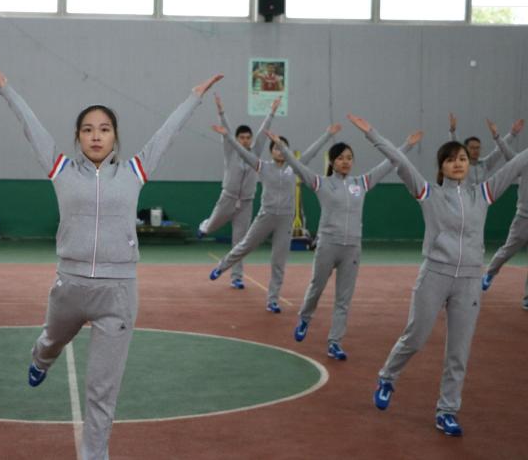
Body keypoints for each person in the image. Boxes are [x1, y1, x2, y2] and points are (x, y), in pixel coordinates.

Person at [0, 57, 222, 460]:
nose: (96, 136)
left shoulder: (134, 172)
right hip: (70, 288)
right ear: (78, 137)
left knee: (102, 390)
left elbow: (167, 134)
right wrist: (6, 88)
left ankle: (95, 454)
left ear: (115, 137)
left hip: (118, 294)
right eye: (88, 129)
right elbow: (31, 127)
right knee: (51, 340)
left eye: (105, 129)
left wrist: (193, 98)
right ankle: (41, 358)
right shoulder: (61, 169)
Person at [350, 114, 528, 437]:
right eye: (451, 159)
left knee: (459, 351)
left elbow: (516, 164)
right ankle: (388, 377)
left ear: (468, 164)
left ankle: (447, 411)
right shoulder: (429, 193)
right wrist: (372, 134)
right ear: (442, 166)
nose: (458, 164)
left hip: (469, 280)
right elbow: (401, 162)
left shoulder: (483, 193)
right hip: (434, 274)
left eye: (462, 159)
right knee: (416, 336)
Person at [265, 125, 422, 360]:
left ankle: (335, 342)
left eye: (349, 158)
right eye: (340, 158)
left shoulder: (362, 182)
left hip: (352, 249)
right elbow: (297, 166)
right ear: (332, 162)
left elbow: (389, 163)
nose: (346, 162)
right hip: (328, 246)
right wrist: (282, 147)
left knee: (343, 299)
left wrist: (407, 145)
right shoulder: (321, 183)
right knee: (316, 288)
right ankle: (305, 318)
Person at [208, 95, 339, 312]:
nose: (279, 150)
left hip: (285, 219)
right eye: (276, 148)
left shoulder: (294, 167)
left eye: (282, 147)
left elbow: (313, 151)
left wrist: (327, 135)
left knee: (279, 261)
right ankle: (222, 267)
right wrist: (227, 136)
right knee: (245, 245)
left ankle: (272, 300)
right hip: (266, 216)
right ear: (271, 151)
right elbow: (241, 151)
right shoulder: (263, 166)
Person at [197, 98, 279, 290]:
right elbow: (226, 134)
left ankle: (236, 278)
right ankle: (204, 225)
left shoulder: (255, 152)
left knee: (240, 242)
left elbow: (263, 133)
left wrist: (272, 112)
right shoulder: (231, 151)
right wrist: (221, 112)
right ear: (237, 139)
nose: (245, 140)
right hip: (228, 198)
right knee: (211, 227)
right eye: (241, 137)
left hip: (246, 203)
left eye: (247, 137)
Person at [481, 118, 528, 310]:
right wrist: (498, 137)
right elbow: (509, 156)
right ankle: (489, 273)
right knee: (507, 250)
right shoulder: (525, 157)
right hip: (524, 216)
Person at [448, 113, 523, 184]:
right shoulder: (461, 164)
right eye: (472, 148)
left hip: (482, 193)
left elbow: (499, 150)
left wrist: (512, 134)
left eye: (477, 148)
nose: (475, 150)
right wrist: (452, 131)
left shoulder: (484, 164)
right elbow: (455, 147)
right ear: (465, 149)